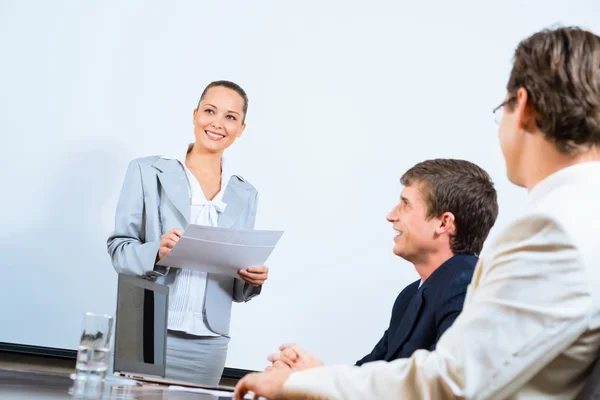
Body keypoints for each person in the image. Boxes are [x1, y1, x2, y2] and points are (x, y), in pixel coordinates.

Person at [234, 26, 600, 399]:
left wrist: (300, 383)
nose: (391, 216)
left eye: (499, 110)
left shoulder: (554, 228)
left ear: (524, 106)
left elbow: (454, 384)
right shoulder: (584, 215)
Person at [266, 159, 498, 373]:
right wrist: (305, 376)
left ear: (444, 223)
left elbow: (440, 388)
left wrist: (314, 380)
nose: (391, 216)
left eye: (405, 205)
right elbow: (369, 376)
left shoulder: (469, 289)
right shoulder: (410, 296)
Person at [107, 80, 269, 387]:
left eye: (230, 117)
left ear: (242, 129)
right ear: (195, 115)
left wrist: (250, 280)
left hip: (208, 342)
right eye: (210, 111)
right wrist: (156, 251)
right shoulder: (147, 171)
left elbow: (236, 285)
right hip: (145, 326)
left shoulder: (245, 193)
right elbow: (119, 249)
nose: (218, 123)